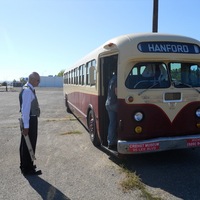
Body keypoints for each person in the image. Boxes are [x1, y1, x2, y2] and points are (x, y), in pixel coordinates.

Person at [19, 72, 42, 175]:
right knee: (29, 144)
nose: (39, 82)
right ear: (32, 80)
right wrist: (27, 127)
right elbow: (25, 110)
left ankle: (26, 165)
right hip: (30, 120)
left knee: (26, 143)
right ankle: (27, 169)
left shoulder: (27, 89)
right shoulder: (28, 91)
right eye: (38, 80)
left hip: (29, 120)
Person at [105, 72, 118, 150]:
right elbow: (117, 92)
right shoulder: (117, 79)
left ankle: (110, 142)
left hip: (108, 103)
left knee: (112, 123)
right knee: (124, 119)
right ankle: (120, 137)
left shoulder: (112, 79)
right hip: (114, 104)